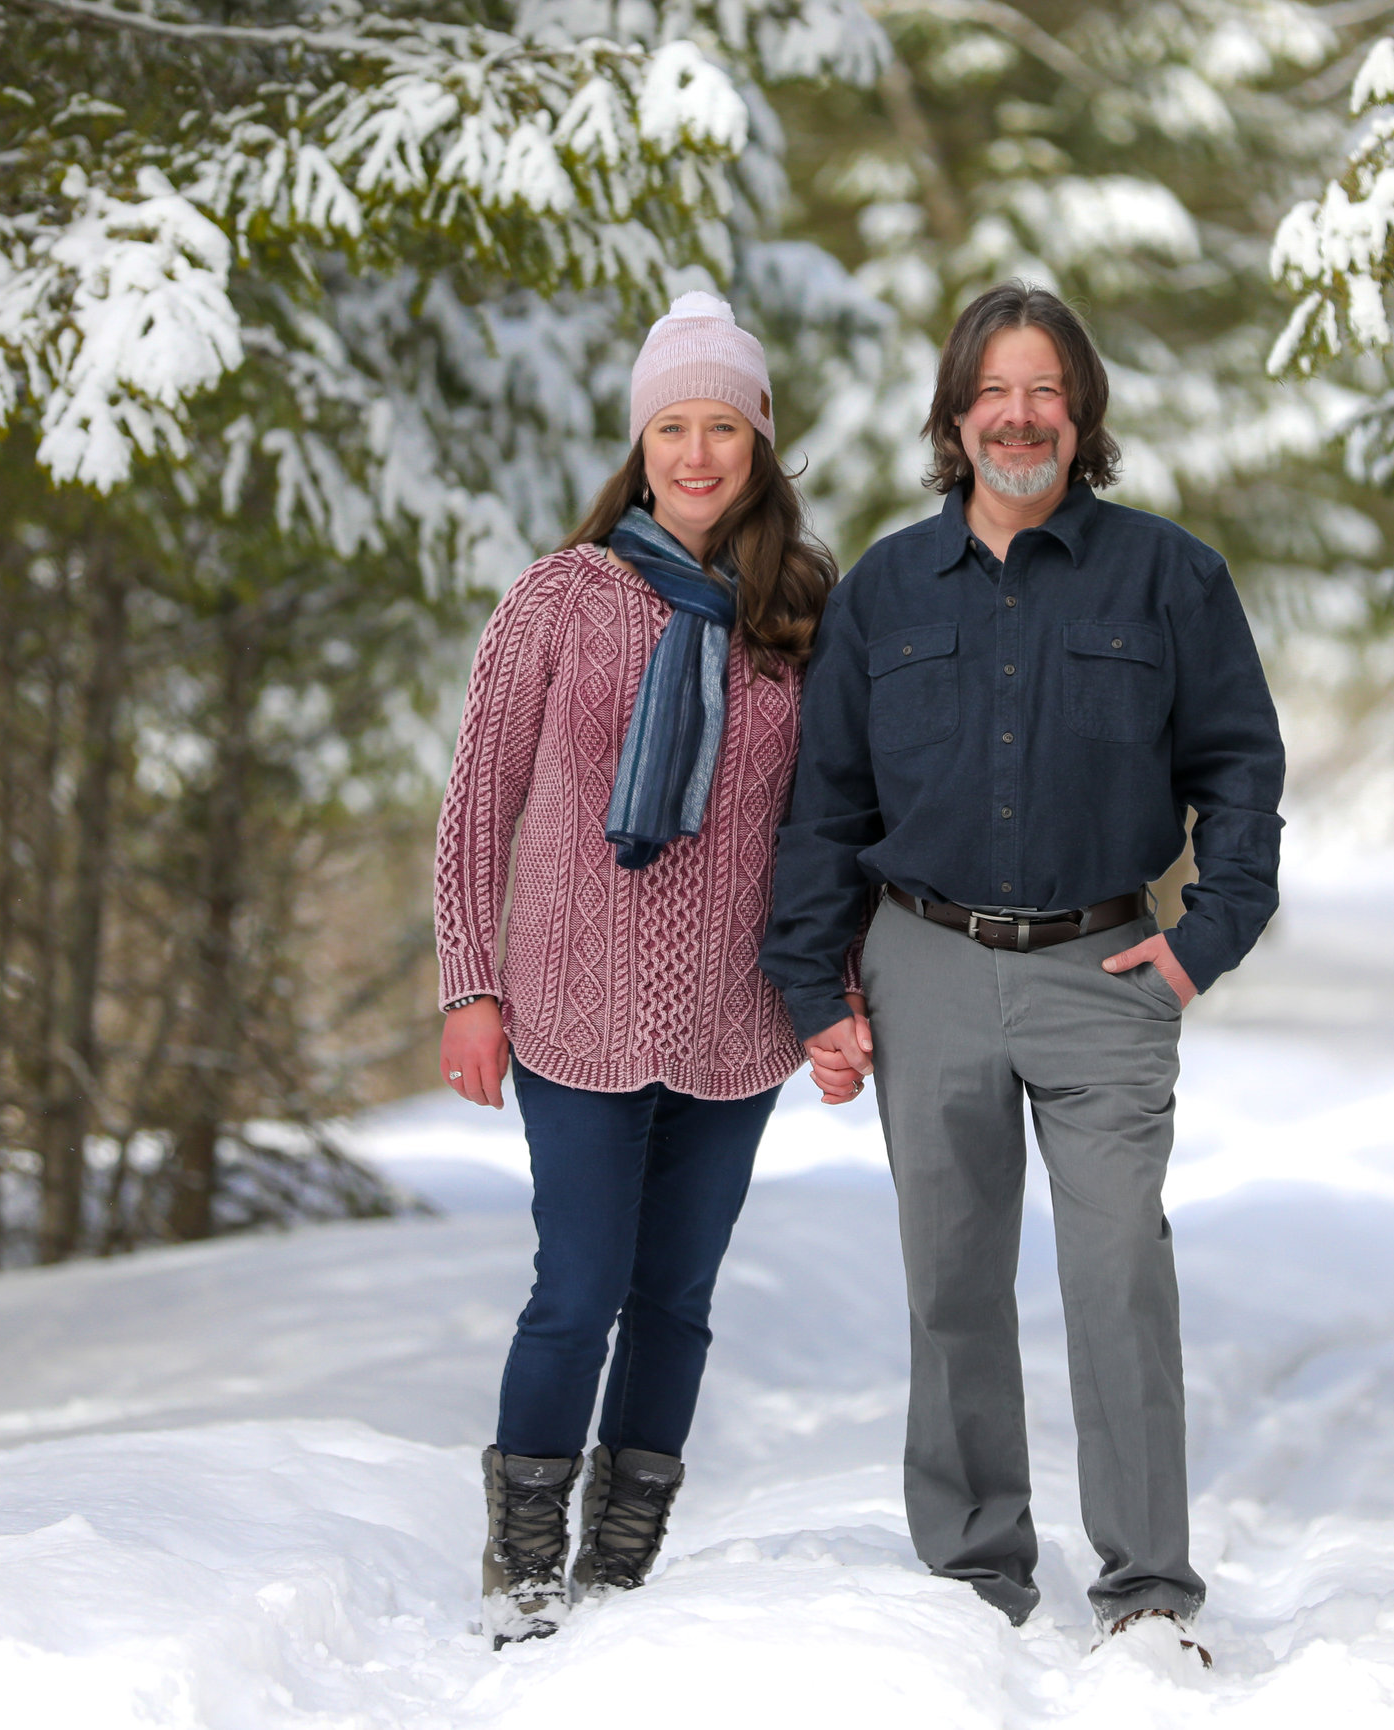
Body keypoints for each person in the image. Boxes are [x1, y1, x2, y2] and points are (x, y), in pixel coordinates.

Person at [760, 282, 1285, 1663]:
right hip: (923, 964)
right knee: (951, 1281)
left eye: (1045, 390)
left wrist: (1204, 939)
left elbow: (1240, 770)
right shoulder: (884, 589)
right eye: (994, 392)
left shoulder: (1169, 578)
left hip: (1107, 969)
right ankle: (973, 1570)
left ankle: (1148, 1587)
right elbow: (823, 803)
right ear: (954, 417)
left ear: (1082, 413)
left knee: (1117, 1268)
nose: (1020, 416)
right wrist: (816, 989)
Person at [432, 292, 841, 1646]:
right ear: (642, 440)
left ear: (759, 440)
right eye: (675, 426)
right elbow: (476, 803)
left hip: (738, 1013)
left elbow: (833, 824)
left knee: (677, 1295)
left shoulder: (802, 610)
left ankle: (624, 1557)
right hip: (570, 1001)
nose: (699, 453)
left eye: (724, 425)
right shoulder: (559, 597)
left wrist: (835, 996)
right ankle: (525, 1555)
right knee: (581, 1281)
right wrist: (468, 983)